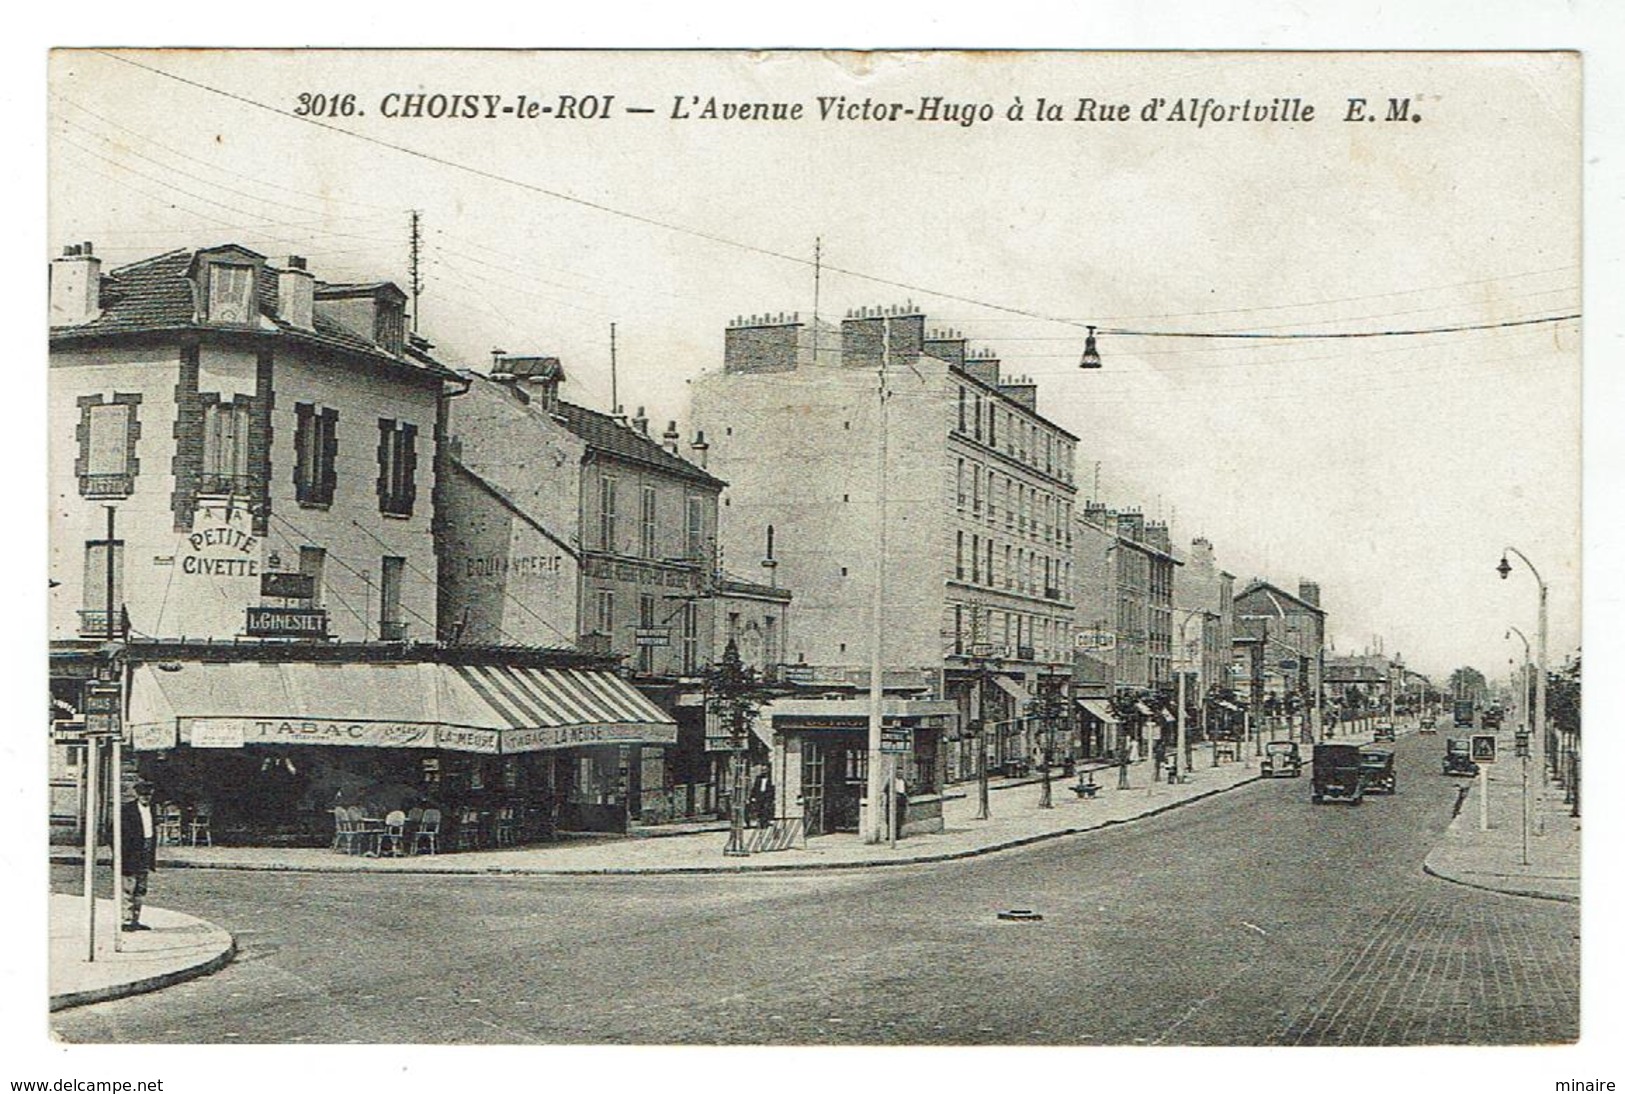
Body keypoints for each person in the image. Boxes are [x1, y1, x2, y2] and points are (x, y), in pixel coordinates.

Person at [120, 780, 160, 932]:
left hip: (146, 850)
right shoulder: (127, 810)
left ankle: (136, 920)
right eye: (143, 795)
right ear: (136, 794)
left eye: (148, 795)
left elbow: (151, 831)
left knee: (141, 889)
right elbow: (114, 833)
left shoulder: (152, 809)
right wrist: (122, 854)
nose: (146, 798)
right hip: (130, 854)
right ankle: (126, 920)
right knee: (129, 888)